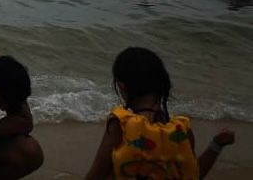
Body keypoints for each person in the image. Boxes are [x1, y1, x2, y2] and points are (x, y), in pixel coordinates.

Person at [84, 47, 234, 180]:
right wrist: (216, 145)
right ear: (161, 84)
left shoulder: (121, 125)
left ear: (122, 86)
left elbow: (96, 176)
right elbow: (193, 174)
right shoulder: (181, 131)